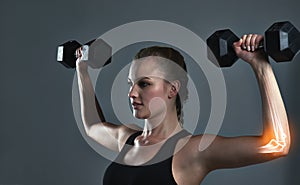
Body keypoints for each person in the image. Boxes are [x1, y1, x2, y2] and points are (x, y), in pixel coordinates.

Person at [75, 34, 291, 185]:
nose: (131, 93)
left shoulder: (192, 152)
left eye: (144, 83)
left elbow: (276, 145)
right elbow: (92, 126)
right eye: (130, 83)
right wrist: (82, 69)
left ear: (172, 89)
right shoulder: (127, 140)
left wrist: (260, 65)